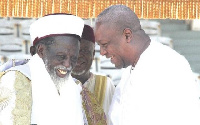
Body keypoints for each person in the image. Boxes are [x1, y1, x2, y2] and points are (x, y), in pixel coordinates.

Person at [94, 5, 200, 125]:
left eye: (105, 44)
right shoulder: (129, 71)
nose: (102, 52)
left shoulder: (168, 65)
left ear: (127, 35)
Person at [0, 14, 106, 125]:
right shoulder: (15, 81)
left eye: (73, 58)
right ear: (41, 51)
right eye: (61, 57)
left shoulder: (78, 89)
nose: (67, 65)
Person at [71, 24, 115, 123]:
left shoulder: (106, 85)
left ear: (93, 54)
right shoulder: (55, 85)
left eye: (85, 51)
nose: (79, 56)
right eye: (74, 50)